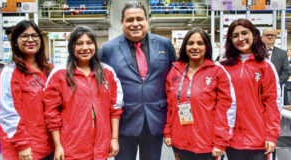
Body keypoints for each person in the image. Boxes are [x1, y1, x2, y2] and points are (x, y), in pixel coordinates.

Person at [99, 1, 176, 160]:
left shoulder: (165, 45)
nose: (135, 24)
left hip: (155, 120)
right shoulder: (108, 49)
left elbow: (173, 81)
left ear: (148, 20)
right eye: (130, 20)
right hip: (123, 122)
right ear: (122, 22)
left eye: (139, 19)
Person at [43, 25, 123, 160]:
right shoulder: (59, 74)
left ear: (95, 46)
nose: (85, 48)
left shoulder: (107, 72)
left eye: (89, 43)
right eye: (79, 43)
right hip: (71, 148)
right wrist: (58, 146)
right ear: (71, 47)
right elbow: (51, 113)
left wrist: (114, 138)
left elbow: (115, 108)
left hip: (100, 147)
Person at [163, 28, 236, 160]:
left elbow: (225, 109)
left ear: (207, 47)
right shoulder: (174, 71)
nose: (195, 47)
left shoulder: (217, 72)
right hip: (180, 140)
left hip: (207, 143)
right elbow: (169, 106)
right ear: (185, 46)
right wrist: (168, 132)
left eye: (200, 43)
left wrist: (221, 141)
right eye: (190, 43)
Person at [222, 18, 282, 160]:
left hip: (259, 140)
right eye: (235, 36)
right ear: (230, 40)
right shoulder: (223, 67)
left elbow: (273, 103)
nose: (240, 38)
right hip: (232, 140)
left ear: (254, 35)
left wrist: (271, 135)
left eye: (244, 33)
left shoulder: (266, 67)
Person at [0, 20, 54, 160]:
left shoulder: (49, 69)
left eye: (35, 36)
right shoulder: (10, 72)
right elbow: (8, 113)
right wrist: (22, 144)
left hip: (49, 144)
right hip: (24, 149)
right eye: (24, 36)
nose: (30, 40)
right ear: (15, 41)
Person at [262, 28, 289, 105]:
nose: (270, 37)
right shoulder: (256, 52)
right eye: (267, 35)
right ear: (262, 37)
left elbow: (286, 72)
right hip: (258, 90)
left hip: (276, 90)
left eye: (272, 35)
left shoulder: (282, 53)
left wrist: (274, 84)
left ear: (275, 38)